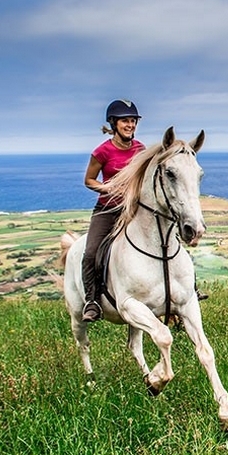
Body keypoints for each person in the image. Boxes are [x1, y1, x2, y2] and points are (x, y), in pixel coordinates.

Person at [81, 99, 146, 322]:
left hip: (134, 208)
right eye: (125, 121)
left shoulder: (140, 149)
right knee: (91, 252)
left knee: (168, 235)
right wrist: (107, 187)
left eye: (133, 121)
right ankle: (92, 301)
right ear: (113, 123)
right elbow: (89, 180)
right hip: (108, 209)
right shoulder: (102, 152)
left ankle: (187, 289)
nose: (130, 125)